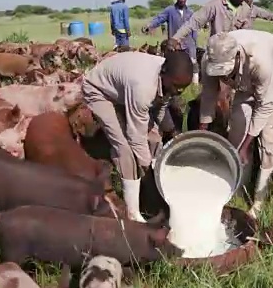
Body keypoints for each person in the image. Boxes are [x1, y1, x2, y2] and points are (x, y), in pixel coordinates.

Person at [81, 51, 194, 222]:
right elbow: (136, 136)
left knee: (155, 139)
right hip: (99, 91)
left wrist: (171, 130)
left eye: (183, 88)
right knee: (125, 149)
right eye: (176, 86)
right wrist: (148, 166)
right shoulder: (143, 88)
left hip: (124, 88)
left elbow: (161, 105)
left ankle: (151, 190)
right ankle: (133, 213)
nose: (178, 91)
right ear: (163, 74)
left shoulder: (168, 77)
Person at [199, 30, 273, 219]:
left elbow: (265, 106)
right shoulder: (208, 59)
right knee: (237, 129)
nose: (222, 76)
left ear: (237, 57)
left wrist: (246, 145)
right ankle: (238, 190)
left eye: (225, 71)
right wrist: (202, 132)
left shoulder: (261, 63)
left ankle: (260, 197)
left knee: (269, 137)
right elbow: (209, 94)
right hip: (243, 83)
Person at [168, 0, 253, 50]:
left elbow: (247, 33)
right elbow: (194, 22)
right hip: (217, 53)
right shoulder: (215, 5)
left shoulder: (246, 9)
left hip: (236, 52)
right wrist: (176, 38)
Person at [142, 0, 199, 84]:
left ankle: (194, 85)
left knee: (193, 64)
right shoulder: (170, 10)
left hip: (188, 43)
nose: (182, 0)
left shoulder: (190, 12)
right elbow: (159, 19)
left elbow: (194, 29)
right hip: (174, 43)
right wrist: (149, 25)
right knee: (172, 65)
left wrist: (194, 42)